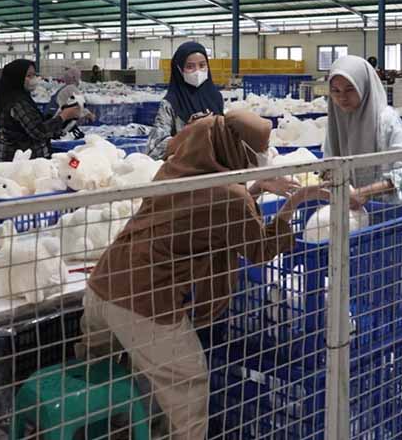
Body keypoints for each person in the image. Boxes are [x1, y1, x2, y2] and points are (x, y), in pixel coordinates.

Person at [85, 110, 326, 440]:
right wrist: (295, 202)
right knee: (189, 383)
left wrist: (254, 188)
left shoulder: (178, 169)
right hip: (144, 301)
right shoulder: (230, 196)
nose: (265, 154)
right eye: (261, 148)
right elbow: (260, 249)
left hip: (103, 284)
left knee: (111, 377)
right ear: (237, 147)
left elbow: (208, 215)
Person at [323, 56, 402, 209]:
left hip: (392, 210)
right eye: (335, 91)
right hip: (353, 209)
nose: (342, 97)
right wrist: (330, 176)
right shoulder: (336, 121)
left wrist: (365, 193)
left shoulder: (386, 120)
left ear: (364, 86)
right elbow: (328, 162)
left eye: (350, 89)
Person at [147, 42, 224, 159]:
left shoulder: (216, 97)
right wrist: (189, 131)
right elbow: (153, 151)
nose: (197, 71)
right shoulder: (170, 104)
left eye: (202, 65)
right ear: (179, 69)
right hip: (185, 164)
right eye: (190, 66)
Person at [0, 60, 80, 161]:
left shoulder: (21, 98)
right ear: (17, 77)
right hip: (22, 162)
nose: (33, 79)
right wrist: (63, 116)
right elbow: (39, 132)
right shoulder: (17, 103)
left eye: (34, 75)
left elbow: (36, 124)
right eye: (29, 76)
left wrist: (60, 117)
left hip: (28, 160)